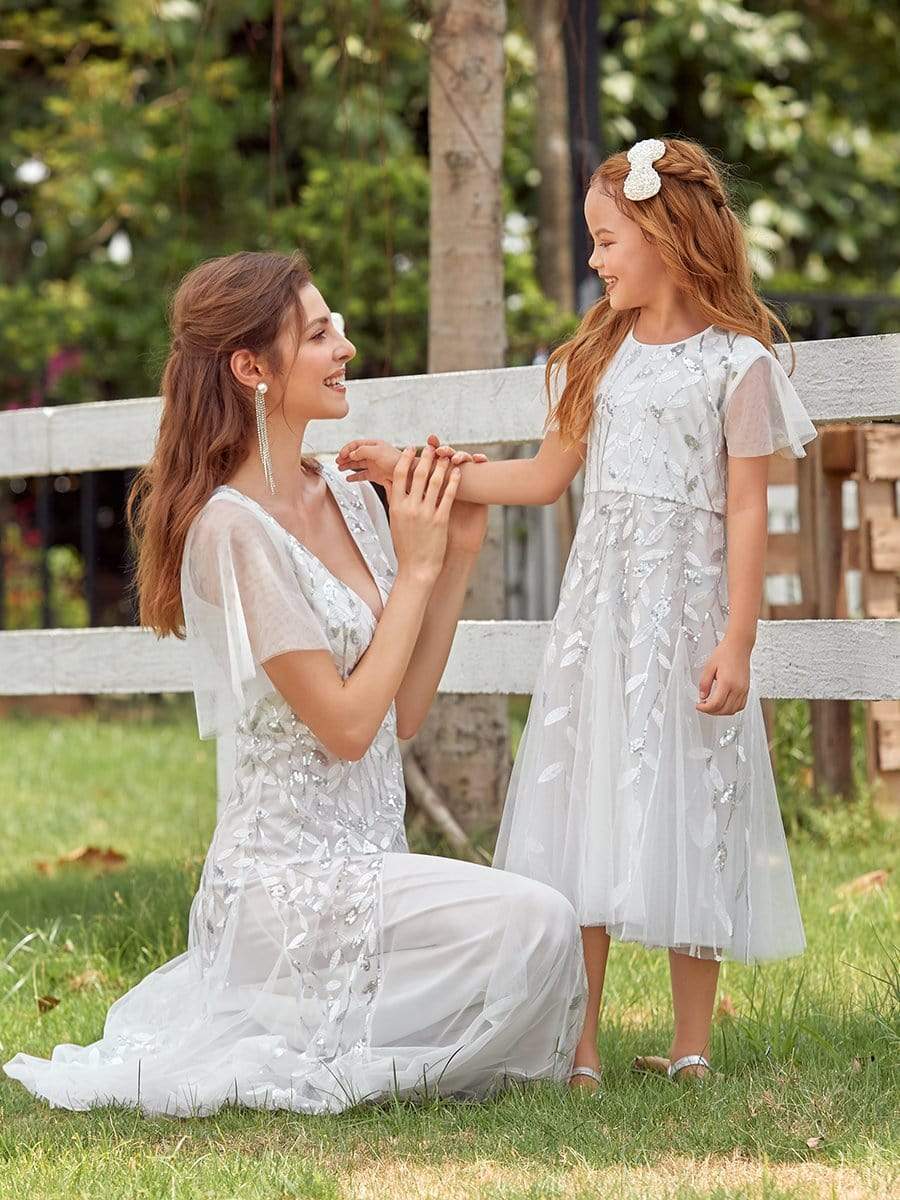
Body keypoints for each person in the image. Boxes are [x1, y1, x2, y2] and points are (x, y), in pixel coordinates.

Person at [3, 251, 586, 1117]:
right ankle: (334, 1028)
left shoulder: (347, 495)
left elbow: (404, 713)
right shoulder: (229, 533)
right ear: (251, 368)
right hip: (281, 893)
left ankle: (367, 1029)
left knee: (538, 930)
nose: (345, 346)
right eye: (319, 334)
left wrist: (455, 550)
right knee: (540, 922)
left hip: (368, 867)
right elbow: (346, 728)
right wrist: (418, 571)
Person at [337, 138, 816, 1092]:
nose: (594, 260)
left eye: (607, 240)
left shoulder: (739, 365)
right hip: (601, 619)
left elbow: (751, 504)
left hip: (687, 619)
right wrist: (418, 471)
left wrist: (738, 638)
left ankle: (691, 1046)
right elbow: (546, 476)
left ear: (667, 233)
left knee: (695, 803)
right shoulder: (598, 356)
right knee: (585, 800)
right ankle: (581, 1045)